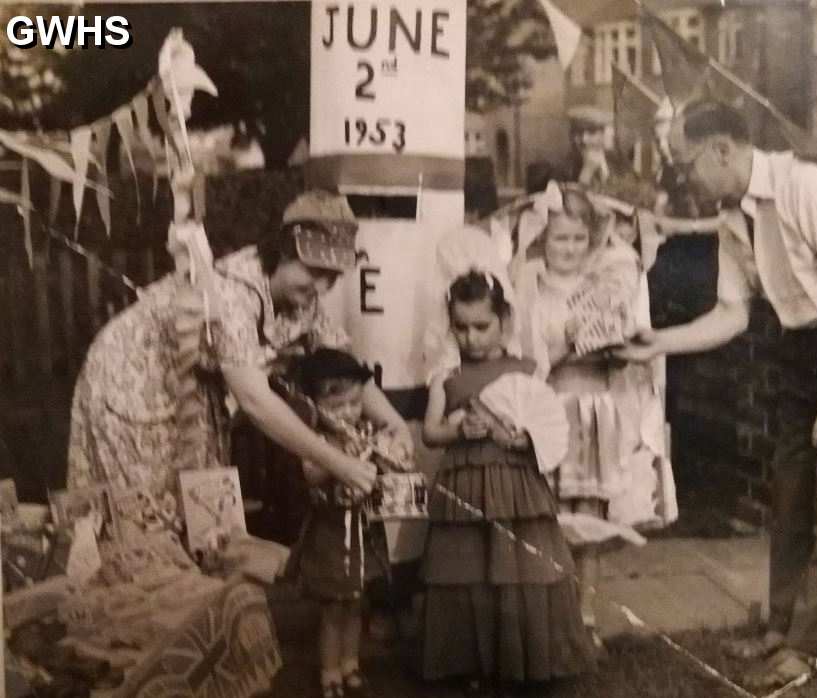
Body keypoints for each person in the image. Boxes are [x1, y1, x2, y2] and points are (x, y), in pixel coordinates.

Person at [615, 99, 817, 688]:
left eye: (686, 164)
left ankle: (815, 647)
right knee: (792, 483)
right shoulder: (734, 216)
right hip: (808, 344)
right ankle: (784, 624)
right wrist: (657, 343)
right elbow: (732, 313)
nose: (683, 179)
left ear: (722, 150)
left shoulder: (808, 183)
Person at [67, 190, 411, 509]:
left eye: (333, 277)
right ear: (284, 252)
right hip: (132, 384)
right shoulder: (232, 294)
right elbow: (254, 401)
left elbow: (345, 368)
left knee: (202, 510)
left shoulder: (303, 301)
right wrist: (338, 463)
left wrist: (396, 424)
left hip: (189, 389)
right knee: (145, 511)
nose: (322, 286)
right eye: (316, 271)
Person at [511, 182, 675, 648]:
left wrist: (613, 347)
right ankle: (549, 611)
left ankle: (585, 617)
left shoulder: (601, 289)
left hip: (596, 412)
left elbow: (626, 355)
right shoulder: (534, 287)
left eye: (579, 240)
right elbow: (529, 355)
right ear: (544, 239)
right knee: (551, 514)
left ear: (592, 241)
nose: (569, 249)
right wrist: (566, 341)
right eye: (560, 239)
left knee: (592, 520)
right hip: (553, 409)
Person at [419, 270, 594, 691]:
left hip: (516, 486)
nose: (471, 338)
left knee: (520, 567)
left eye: (482, 326)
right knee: (468, 567)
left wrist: (522, 438)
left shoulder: (527, 370)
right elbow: (430, 432)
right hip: (465, 485)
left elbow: (543, 423)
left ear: (505, 322)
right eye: (461, 327)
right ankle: (470, 663)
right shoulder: (446, 376)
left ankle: (523, 658)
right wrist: (457, 430)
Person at [289, 347, 392, 698]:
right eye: (337, 407)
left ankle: (350, 663)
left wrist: (382, 453)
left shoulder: (363, 431)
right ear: (316, 407)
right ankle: (329, 671)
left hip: (361, 530)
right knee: (334, 607)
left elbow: (380, 471)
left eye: (354, 403)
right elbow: (312, 475)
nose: (348, 412)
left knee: (356, 602)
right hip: (332, 532)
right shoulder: (317, 440)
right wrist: (341, 459)